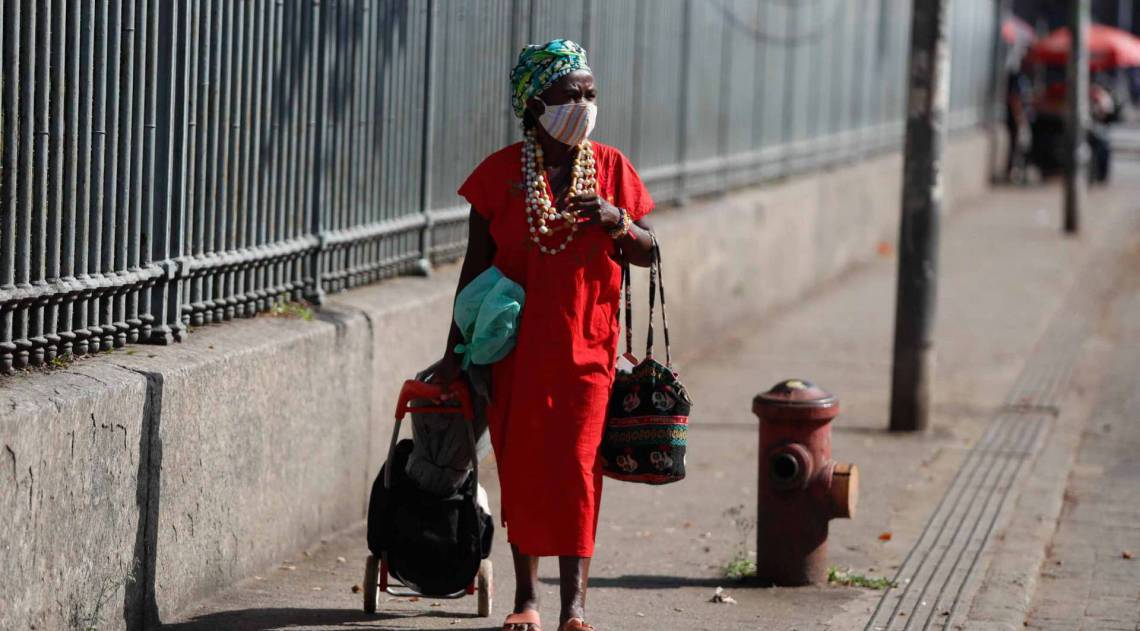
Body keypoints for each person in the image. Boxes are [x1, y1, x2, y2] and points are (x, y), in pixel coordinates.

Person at [418, 39, 657, 631]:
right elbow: (474, 273)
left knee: (577, 466)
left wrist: (616, 219)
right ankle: (526, 598)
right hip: (512, 353)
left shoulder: (611, 167)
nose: (584, 102)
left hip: (586, 348)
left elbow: (650, 252)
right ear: (534, 103)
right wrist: (453, 353)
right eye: (570, 93)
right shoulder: (499, 176)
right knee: (520, 465)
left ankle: (574, 605)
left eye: (591, 92)